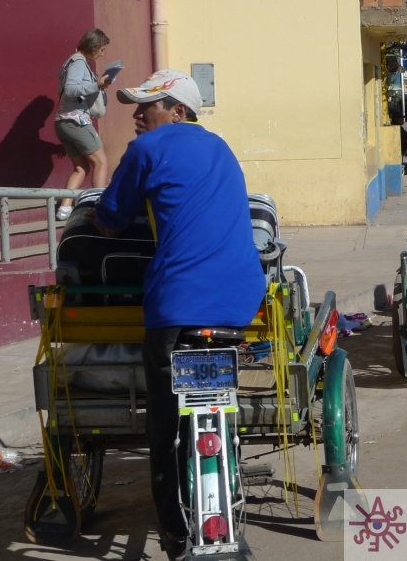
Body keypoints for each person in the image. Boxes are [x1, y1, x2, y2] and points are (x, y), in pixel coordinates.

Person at [87, 70, 266, 560]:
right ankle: (227, 494)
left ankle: (172, 535)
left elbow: (109, 219)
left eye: (148, 105)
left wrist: (89, 219)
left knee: (164, 429)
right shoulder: (222, 149)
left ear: (178, 112)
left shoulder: (147, 151)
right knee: (218, 406)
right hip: (239, 301)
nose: (137, 114)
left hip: (179, 304)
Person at [54, 28, 114, 221]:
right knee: (101, 162)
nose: (102, 54)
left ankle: (64, 209)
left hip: (64, 121)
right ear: (94, 46)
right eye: (101, 49)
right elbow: (71, 89)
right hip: (76, 120)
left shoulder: (72, 62)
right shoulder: (79, 62)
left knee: (81, 168)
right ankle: (97, 205)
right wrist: (97, 85)